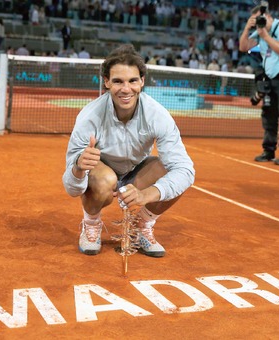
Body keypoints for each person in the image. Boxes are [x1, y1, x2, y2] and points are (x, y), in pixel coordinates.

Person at [62, 44, 195, 257]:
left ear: (142, 81)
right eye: (117, 81)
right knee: (104, 179)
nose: (126, 89)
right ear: (106, 82)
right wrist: (79, 168)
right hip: (102, 175)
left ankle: (142, 224)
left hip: (137, 173)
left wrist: (146, 194)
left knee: (172, 172)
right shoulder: (89, 117)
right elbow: (72, 189)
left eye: (132, 81)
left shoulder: (157, 115)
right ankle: (91, 224)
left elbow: (185, 171)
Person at [239, 2, 279, 165]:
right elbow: (243, 47)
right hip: (271, 79)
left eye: (260, 18)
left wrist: (265, 35)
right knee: (269, 116)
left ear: (268, 16)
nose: (258, 22)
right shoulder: (260, 32)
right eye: (255, 19)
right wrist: (247, 27)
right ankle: (269, 151)